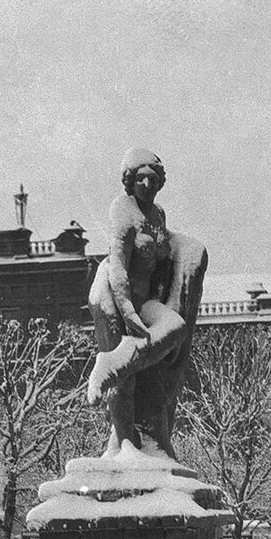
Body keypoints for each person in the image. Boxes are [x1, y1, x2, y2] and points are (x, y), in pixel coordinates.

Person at [86, 147, 208, 459]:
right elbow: (118, 268)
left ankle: (117, 361)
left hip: (146, 303)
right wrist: (128, 314)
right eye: (140, 179)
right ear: (130, 181)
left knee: (175, 327)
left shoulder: (158, 216)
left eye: (152, 179)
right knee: (126, 387)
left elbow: (166, 252)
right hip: (115, 299)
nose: (146, 185)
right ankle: (126, 442)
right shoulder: (123, 212)